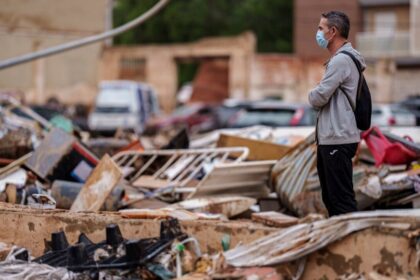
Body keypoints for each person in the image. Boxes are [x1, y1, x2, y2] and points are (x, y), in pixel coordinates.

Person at [308, 11, 366, 216]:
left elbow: (319, 97)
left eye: (321, 28)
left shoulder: (341, 61)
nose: (318, 33)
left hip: (337, 139)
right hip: (333, 138)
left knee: (341, 201)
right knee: (332, 199)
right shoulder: (341, 60)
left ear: (333, 32)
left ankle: (353, 244)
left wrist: (311, 93)